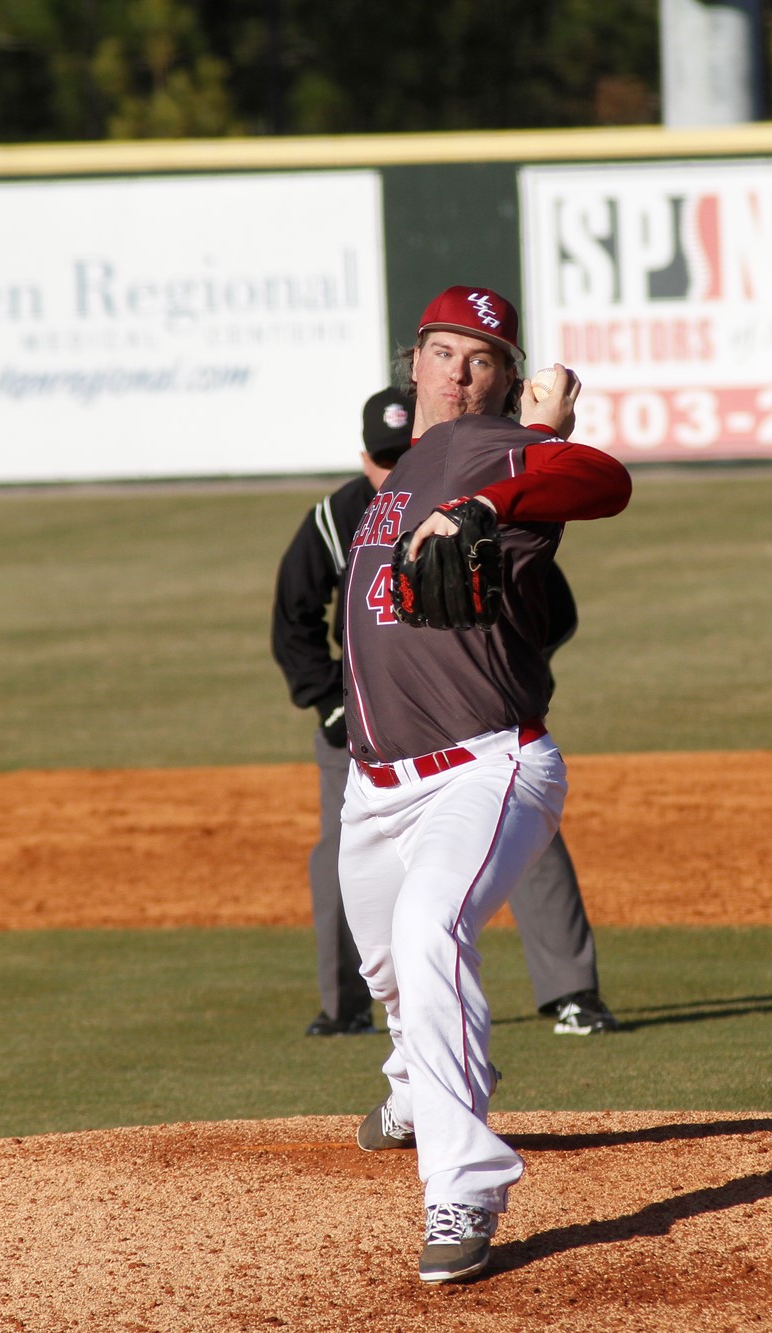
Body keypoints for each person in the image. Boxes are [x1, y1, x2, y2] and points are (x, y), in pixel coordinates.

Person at [338, 286, 631, 1283]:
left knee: (431, 931)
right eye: (444, 352)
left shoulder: (497, 452)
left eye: (482, 358)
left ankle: (460, 1187)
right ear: (412, 361)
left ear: (506, 378)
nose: (459, 372)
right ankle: (415, 1090)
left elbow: (604, 480)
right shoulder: (399, 468)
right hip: (373, 787)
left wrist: (492, 494)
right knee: (385, 967)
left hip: (485, 762)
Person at [270, 386, 619, 1039]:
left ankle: (572, 993)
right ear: (364, 458)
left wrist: (503, 665)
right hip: (366, 728)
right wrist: (327, 703)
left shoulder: (464, 497)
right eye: (382, 457)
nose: (392, 468)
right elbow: (292, 618)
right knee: (342, 857)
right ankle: (346, 1006)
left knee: (522, 837)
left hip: (475, 720)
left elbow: (550, 601)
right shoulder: (343, 512)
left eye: (404, 453)